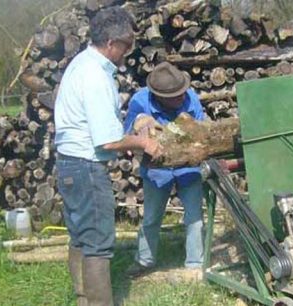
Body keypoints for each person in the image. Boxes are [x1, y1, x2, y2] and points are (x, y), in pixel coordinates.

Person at [54, 6, 163, 306]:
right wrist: (144, 144)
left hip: (68, 163)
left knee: (81, 237)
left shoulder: (80, 63)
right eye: (126, 47)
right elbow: (108, 139)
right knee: (98, 243)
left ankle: (82, 299)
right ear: (113, 44)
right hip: (86, 167)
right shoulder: (95, 76)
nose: (127, 54)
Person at [123, 62, 206, 274]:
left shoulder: (192, 99)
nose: (181, 97)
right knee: (151, 217)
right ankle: (144, 260)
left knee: (194, 217)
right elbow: (128, 132)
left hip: (188, 166)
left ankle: (195, 264)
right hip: (156, 169)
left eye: (182, 92)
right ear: (159, 95)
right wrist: (141, 123)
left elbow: (202, 132)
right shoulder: (140, 101)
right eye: (175, 96)